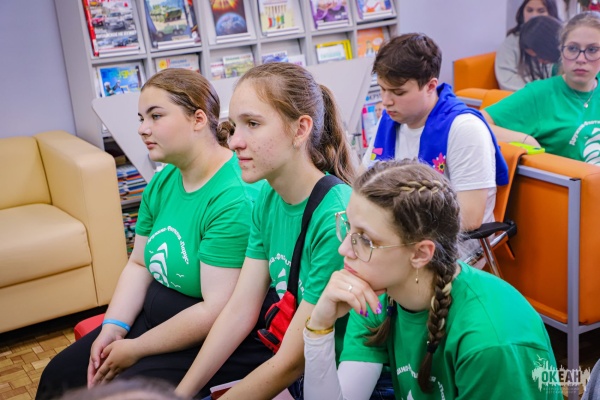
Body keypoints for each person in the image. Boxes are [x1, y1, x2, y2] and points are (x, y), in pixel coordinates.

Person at [36, 69, 272, 399]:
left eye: (155, 116)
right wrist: (113, 327)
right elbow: (138, 265)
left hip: (205, 337)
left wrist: (136, 348)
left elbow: (216, 308)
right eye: (141, 118)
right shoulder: (163, 181)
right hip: (153, 318)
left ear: (198, 119)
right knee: (58, 376)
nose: (142, 128)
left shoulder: (233, 197)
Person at [303, 159, 562, 400]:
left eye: (365, 239)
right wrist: (319, 326)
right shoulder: (377, 294)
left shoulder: (490, 342)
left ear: (420, 254)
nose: (344, 249)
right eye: (348, 227)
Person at [176, 62, 357, 400]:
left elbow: (291, 361)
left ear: (300, 129)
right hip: (305, 376)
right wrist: (181, 393)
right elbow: (239, 311)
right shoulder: (268, 198)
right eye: (234, 126)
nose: (234, 142)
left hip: (343, 383)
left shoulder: (337, 215)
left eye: (253, 124)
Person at [362, 33, 508, 233]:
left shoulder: (465, 128)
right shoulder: (389, 119)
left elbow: (470, 217)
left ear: (431, 86)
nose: (386, 101)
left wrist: (389, 225)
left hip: (448, 243)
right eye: (382, 89)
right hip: (398, 231)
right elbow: (363, 184)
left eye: (398, 92)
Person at [483, 11, 600, 165]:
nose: (581, 59)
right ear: (561, 51)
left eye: (592, 50)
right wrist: (526, 140)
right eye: (572, 48)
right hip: (570, 180)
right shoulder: (540, 94)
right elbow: (475, 123)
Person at [495, 0, 560, 91]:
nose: (534, 15)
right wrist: (540, 90)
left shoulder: (562, 41)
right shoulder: (512, 41)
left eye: (541, 11)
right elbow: (507, 80)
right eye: (529, 10)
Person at [518, 15, 562, 83]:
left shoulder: (565, 66)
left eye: (541, 55)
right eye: (535, 57)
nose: (540, 61)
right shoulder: (553, 69)